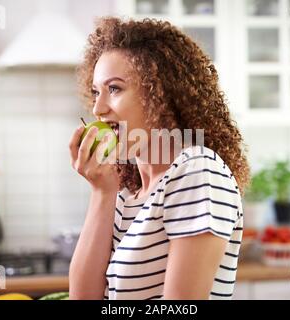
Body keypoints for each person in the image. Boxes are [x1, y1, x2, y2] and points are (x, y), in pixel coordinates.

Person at [68, 17, 250, 300]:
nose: (98, 108)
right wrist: (102, 192)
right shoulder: (128, 193)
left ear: (160, 93)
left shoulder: (198, 172)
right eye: (95, 92)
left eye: (114, 89)